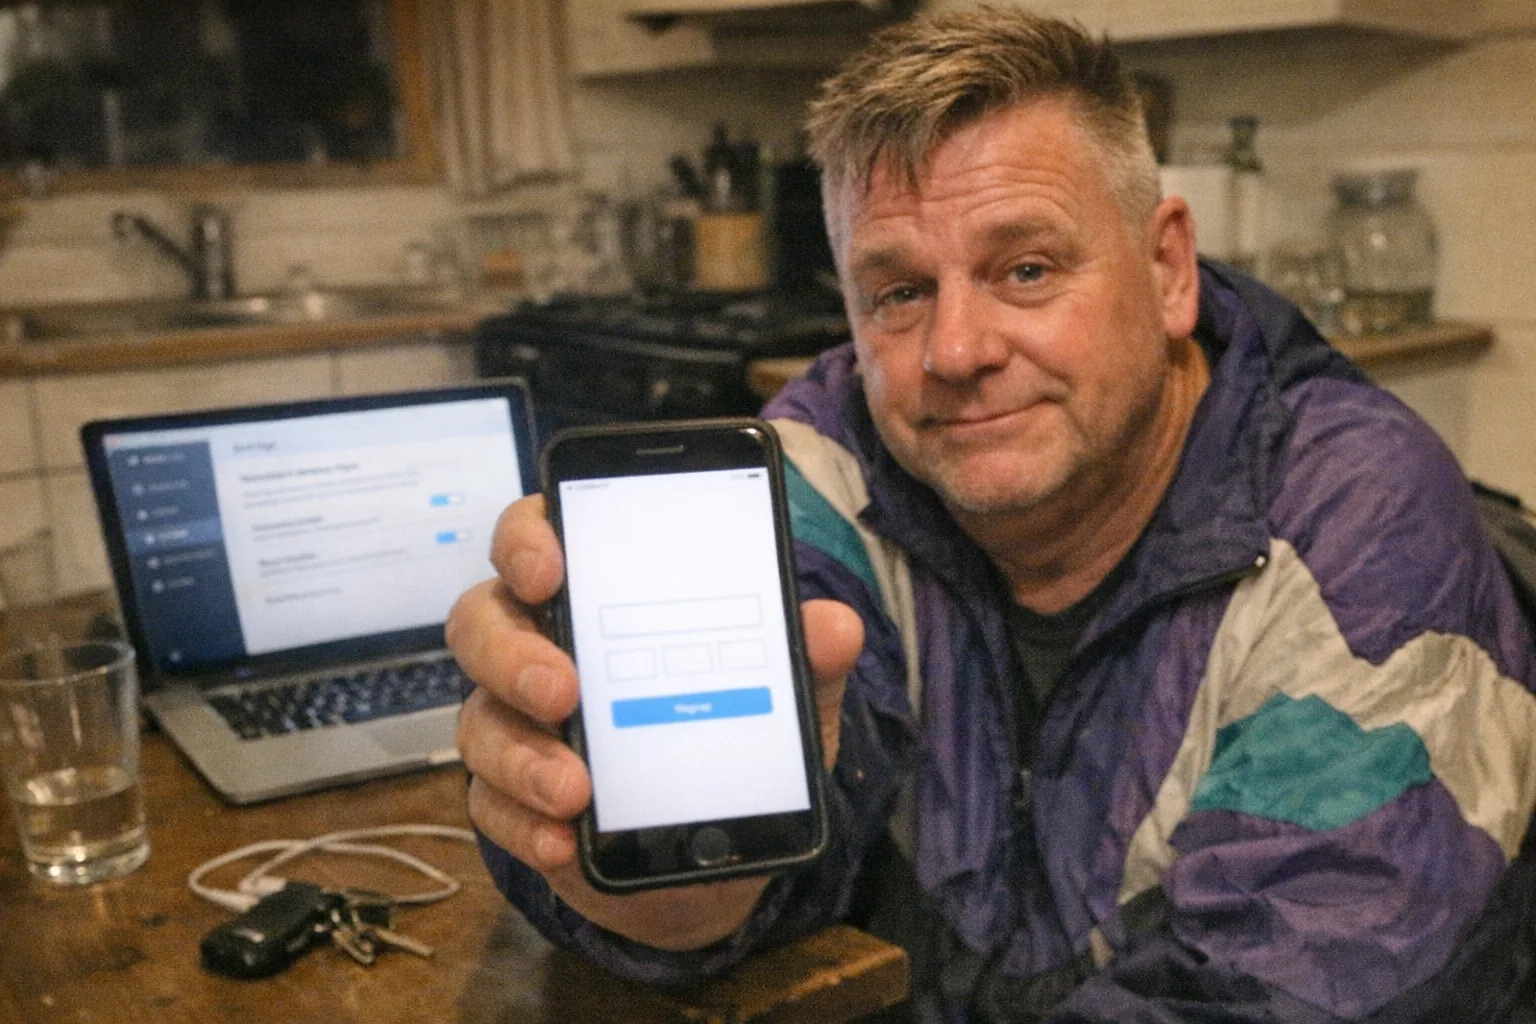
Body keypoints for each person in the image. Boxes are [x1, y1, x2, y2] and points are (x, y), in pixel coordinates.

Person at [448, 7, 1536, 1021]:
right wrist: (672, 902)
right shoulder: (826, 458)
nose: (956, 351)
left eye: (1025, 267)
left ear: (1166, 270)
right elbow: (763, 853)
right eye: (900, 292)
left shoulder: (1356, 522)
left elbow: (1280, 989)